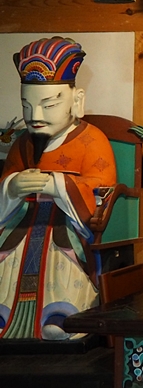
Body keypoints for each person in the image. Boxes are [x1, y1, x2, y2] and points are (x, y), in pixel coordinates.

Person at [0, 38, 116, 340]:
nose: (35, 116)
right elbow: (6, 182)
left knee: (62, 258)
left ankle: (62, 313)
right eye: (26, 105)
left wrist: (58, 185)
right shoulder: (22, 143)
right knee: (7, 255)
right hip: (21, 224)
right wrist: (12, 187)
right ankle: (4, 314)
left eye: (48, 105)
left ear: (77, 100)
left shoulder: (92, 140)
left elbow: (102, 186)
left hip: (67, 225)